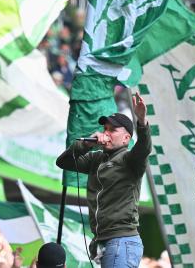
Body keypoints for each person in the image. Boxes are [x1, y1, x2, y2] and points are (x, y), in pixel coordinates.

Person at [56, 93, 150, 267]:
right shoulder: (96, 159)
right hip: (106, 241)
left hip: (121, 240)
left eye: (112, 130)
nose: (106, 133)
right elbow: (63, 162)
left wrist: (142, 122)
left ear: (126, 138)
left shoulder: (130, 160)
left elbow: (144, 148)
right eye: (105, 128)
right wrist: (86, 144)